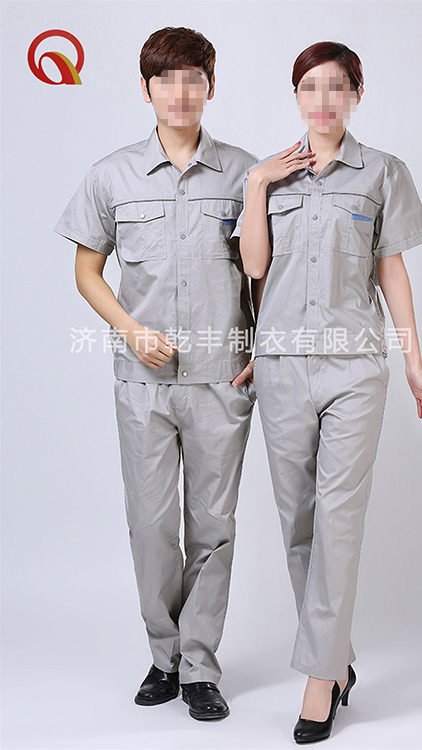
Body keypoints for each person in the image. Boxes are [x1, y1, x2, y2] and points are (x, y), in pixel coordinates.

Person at [232, 40, 422, 744]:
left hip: (354, 368)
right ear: (296, 96)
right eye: (309, 88)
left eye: (335, 87)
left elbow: (392, 271)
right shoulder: (269, 175)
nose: (322, 101)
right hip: (281, 367)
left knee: (338, 519)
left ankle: (319, 682)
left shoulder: (383, 172)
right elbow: (254, 268)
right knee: (298, 521)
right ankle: (337, 659)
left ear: (356, 94)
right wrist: (257, 186)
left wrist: (413, 361)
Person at [53, 26, 259, 722]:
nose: (180, 93)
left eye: (193, 78)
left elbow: (264, 273)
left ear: (211, 85)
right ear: (146, 90)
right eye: (165, 80)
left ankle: (198, 665)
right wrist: (130, 329)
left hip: (221, 379)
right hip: (143, 383)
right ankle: (163, 655)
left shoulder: (246, 174)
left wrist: (261, 347)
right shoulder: (110, 175)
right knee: (149, 524)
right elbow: (87, 270)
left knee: (213, 526)